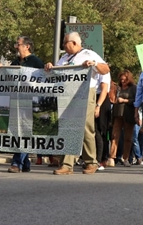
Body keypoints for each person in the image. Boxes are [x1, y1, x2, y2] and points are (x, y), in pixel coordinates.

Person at [45, 32, 110, 175]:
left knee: (86, 128)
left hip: (85, 93)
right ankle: (68, 164)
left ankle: (90, 162)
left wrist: (94, 64)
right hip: (67, 95)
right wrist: (50, 67)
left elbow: (105, 69)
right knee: (69, 127)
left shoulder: (89, 54)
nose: (63, 45)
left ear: (73, 43)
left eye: (64, 42)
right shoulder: (64, 58)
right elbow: (57, 74)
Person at [4, 35, 44, 173]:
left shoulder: (36, 61)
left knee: (24, 132)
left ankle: (17, 163)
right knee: (18, 131)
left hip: (29, 102)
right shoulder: (15, 61)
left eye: (18, 44)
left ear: (27, 46)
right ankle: (25, 162)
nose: (16, 47)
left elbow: (44, 79)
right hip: (16, 102)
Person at [109, 70, 137, 167]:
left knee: (128, 138)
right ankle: (112, 157)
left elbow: (136, 100)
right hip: (117, 114)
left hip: (128, 114)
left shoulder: (133, 88)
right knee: (114, 136)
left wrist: (125, 100)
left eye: (124, 79)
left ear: (128, 79)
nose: (122, 81)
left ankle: (125, 158)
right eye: (121, 79)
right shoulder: (118, 88)